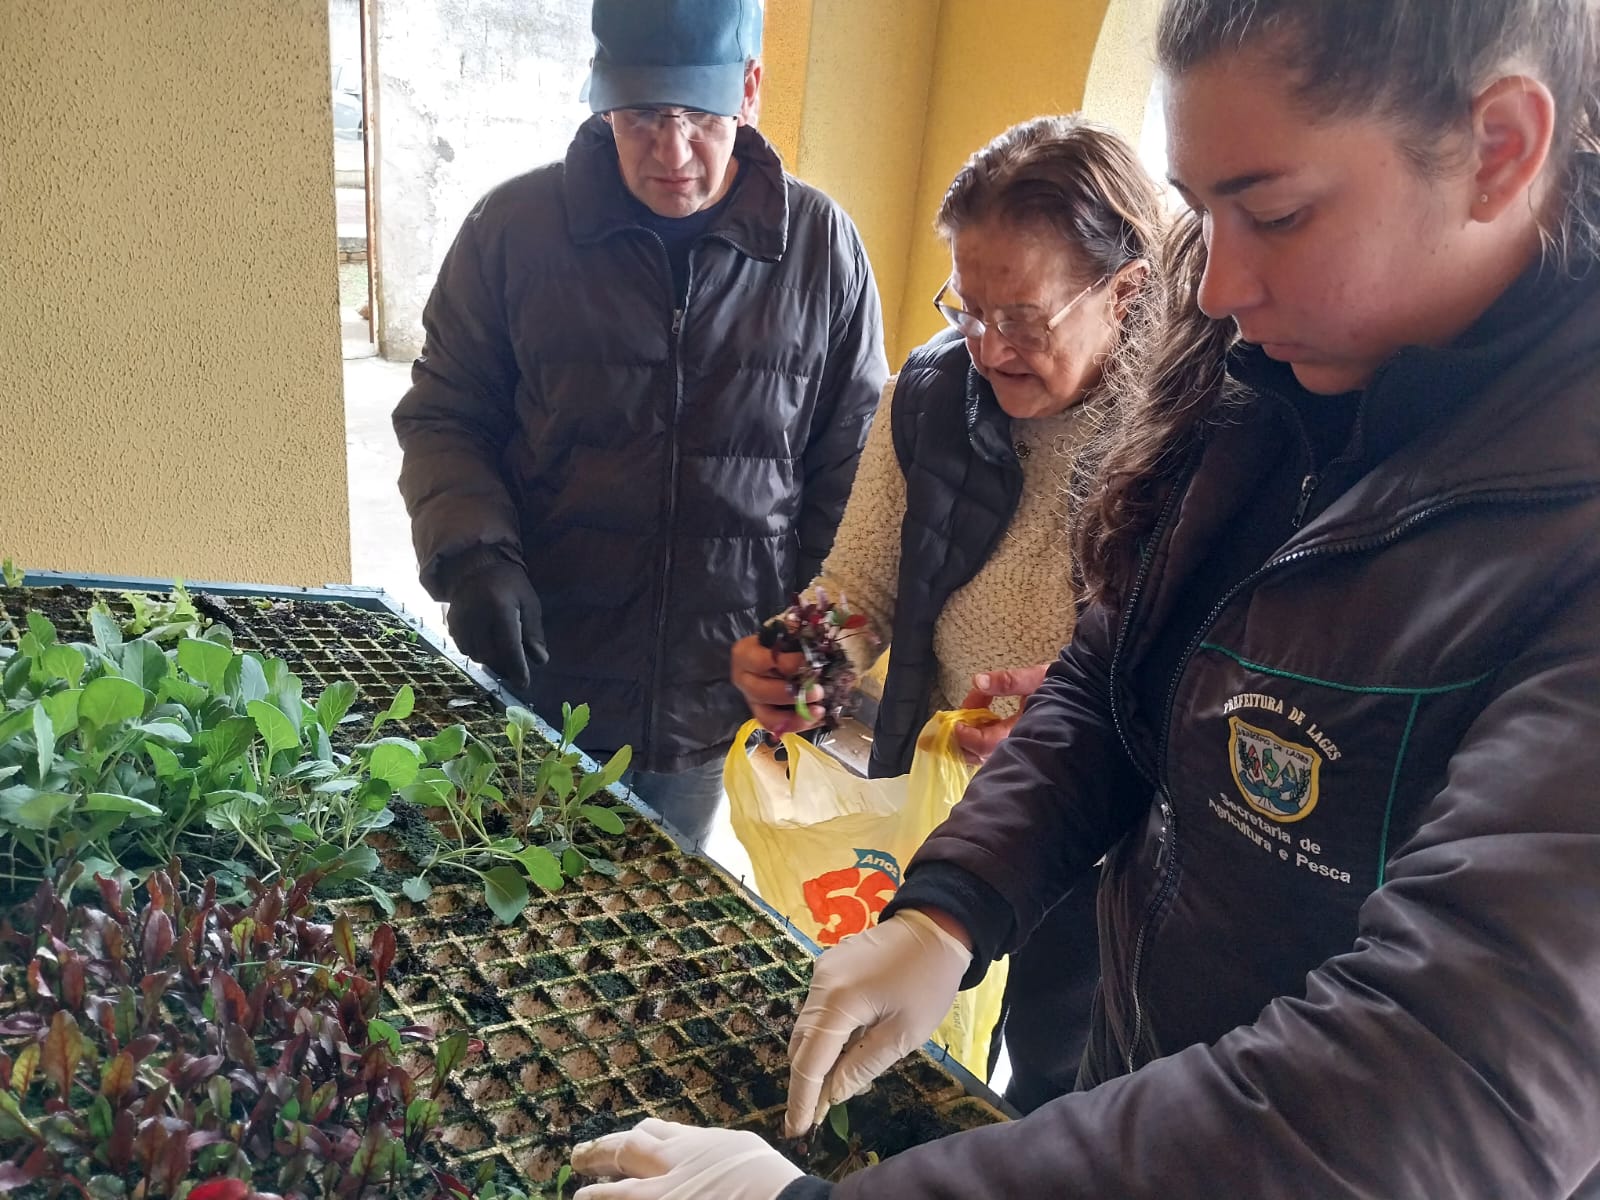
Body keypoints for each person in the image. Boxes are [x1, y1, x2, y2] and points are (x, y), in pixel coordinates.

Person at [571, 0, 1600, 1195]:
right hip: (1139, 1054)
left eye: (1274, 213)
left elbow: (1442, 1085)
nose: (1216, 289)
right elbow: (1115, 674)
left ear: (1499, 148)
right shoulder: (1255, 374)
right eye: (1199, 212)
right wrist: (950, 909)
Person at [727, 114, 1161, 1112]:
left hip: (1107, 840)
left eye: (1023, 319)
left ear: (1126, 291)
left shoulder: (1185, 432)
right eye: (966, 308)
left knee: (1061, 1072)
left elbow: (1195, 666)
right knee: (928, 1036)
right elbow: (864, 584)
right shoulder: (928, 396)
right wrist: (804, 655)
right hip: (951, 803)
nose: (987, 346)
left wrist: (1075, 722)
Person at [392, 0, 887, 849]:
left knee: (657, 891)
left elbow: (854, 469)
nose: (672, 152)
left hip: (710, 693)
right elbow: (447, 413)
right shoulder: (512, 229)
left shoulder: (822, 249)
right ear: (600, 99)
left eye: (700, 117)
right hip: (543, 665)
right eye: (643, 116)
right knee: (506, 881)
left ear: (750, 90)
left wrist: (814, 639)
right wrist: (473, 556)